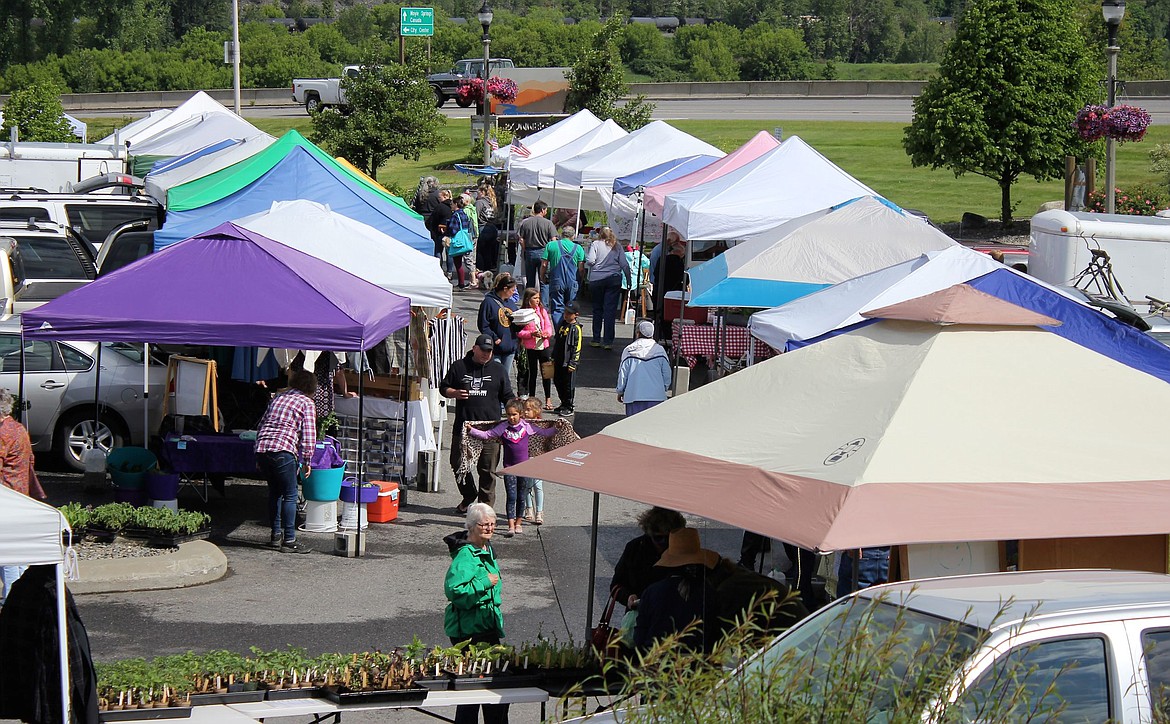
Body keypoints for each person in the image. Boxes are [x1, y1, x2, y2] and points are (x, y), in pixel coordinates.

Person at [444, 503, 509, 724]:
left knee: (495, 691)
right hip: (469, 632)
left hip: (486, 627)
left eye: (493, 524)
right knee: (472, 691)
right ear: (472, 526)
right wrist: (483, 582)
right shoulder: (465, 556)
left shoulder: (486, 548)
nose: (490, 528)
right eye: (485, 524)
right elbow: (455, 592)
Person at [441, 335, 514, 514]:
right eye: (483, 350)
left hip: (491, 429)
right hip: (464, 428)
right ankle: (469, 495)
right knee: (458, 464)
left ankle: (484, 510)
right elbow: (444, 388)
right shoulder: (459, 367)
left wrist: (518, 408)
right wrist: (454, 393)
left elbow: (508, 396)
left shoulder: (498, 370)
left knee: (487, 470)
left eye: (489, 351)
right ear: (474, 348)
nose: (486, 354)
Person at [465, 399, 555, 537]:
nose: (511, 417)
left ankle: (518, 523)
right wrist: (472, 431)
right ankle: (511, 525)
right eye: (508, 414)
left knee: (521, 497)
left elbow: (545, 433)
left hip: (524, 469)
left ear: (520, 414)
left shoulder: (527, 427)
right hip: (509, 469)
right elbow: (487, 435)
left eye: (514, 414)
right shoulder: (503, 427)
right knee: (511, 497)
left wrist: (558, 428)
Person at [255, 369, 318, 554]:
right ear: (311, 387)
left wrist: (258, 453)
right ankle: (289, 539)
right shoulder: (306, 402)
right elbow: (309, 434)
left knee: (274, 493)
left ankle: (275, 536)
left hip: (263, 448)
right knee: (290, 494)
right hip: (283, 450)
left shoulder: (278, 398)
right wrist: (307, 460)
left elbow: (261, 425)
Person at [634, 527, 720, 653]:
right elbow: (716, 638)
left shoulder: (652, 592)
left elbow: (639, 638)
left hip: (657, 662)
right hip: (697, 666)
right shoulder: (710, 593)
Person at [0, 389, 44, 603]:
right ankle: (25, 599)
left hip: (6, 497)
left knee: (7, 555)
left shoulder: (2, 433)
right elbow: (31, 461)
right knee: (19, 554)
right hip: (21, 494)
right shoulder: (18, 428)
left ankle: (11, 601)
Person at [610, 507, 686, 612]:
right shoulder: (635, 548)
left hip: (675, 613)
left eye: (668, 538)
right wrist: (628, 597)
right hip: (639, 613)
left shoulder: (685, 550)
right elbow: (616, 585)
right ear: (649, 533)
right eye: (658, 538)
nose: (664, 542)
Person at [585, 226, 632, 350]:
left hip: (597, 279)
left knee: (597, 309)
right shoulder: (617, 246)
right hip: (613, 279)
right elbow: (624, 265)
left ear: (600, 234)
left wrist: (596, 264)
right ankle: (608, 341)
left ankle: (596, 339)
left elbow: (590, 260)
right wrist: (629, 280)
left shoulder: (595, 244)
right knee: (610, 311)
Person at [617, 320, 672, 416]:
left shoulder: (629, 350)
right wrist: (663, 388)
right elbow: (667, 373)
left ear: (638, 333)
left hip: (633, 395)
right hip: (656, 396)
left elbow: (623, 373)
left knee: (633, 427)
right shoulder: (660, 350)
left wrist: (620, 391)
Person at [515, 287, 554, 411]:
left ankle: (548, 398)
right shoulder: (522, 312)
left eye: (538, 298)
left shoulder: (542, 310)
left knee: (546, 372)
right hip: (530, 346)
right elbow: (519, 333)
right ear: (528, 299)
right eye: (535, 298)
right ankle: (531, 399)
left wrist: (546, 333)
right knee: (532, 373)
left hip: (543, 345)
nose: (537, 300)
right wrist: (531, 334)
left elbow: (548, 327)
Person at [477, 272, 520, 383]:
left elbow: (514, 323)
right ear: (505, 288)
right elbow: (483, 325)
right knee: (494, 378)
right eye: (512, 290)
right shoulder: (488, 302)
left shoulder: (511, 303)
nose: (513, 293)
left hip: (510, 347)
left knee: (504, 379)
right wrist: (495, 338)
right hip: (495, 348)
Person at [541, 226, 585, 326]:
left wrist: (542, 276)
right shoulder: (578, 248)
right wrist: (580, 280)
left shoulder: (551, 245)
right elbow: (581, 268)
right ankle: (568, 331)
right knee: (571, 308)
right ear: (573, 236)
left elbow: (544, 264)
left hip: (556, 280)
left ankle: (558, 332)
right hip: (572, 282)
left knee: (557, 308)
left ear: (561, 234)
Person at [517, 201, 557, 303]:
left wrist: (525, 249)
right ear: (543, 210)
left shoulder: (525, 222)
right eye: (546, 210)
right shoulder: (548, 223)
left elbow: (521, 240)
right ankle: (544, 305)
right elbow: (553, 240)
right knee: (543, 280)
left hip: (530, 252)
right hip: (544, 253)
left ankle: (528, 303)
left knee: (530, 281)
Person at [552, 302, 582, 417]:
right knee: (558, 381)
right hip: (559, 359)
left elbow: (577, 347)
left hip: (568, 362)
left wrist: (573, 363)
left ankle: (569, 405)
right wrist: (553, 356)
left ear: (576, 315)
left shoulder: (576, 328)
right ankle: (563, 402)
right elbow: (557, 342)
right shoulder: (562, 324)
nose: (566, 315)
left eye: (569, 313)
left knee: (568, 384)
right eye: (565, 312)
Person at [520, 398, 547, 525]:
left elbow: (549, 434)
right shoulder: (521, 424)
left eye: (528, 410)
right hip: (524, 458)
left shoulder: (542, 424)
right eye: (524, 409)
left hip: (538, 459)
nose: (525, 412)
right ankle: (528, 508)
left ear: (536, 411)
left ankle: (539, 512)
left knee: (537, 485)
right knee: (526, 485)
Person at [449, 194, 475, 290]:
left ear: (456, 204)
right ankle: (462, 282)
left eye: (452, 204)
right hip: (465, 238)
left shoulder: (455, 215)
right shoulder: (464, 214)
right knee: (466, 261)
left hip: (458, 240)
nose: (451, 206)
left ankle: (461, 283)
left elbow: (453, 229)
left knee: (458, 262)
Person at [622, 241, 651, 317]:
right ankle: (640, 310)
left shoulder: (624, 255)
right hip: (637, 280)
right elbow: (647, 264)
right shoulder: (640, 255)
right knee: (639, 288)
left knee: (625, 292)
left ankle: (624, 309)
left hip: (624, 281)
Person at [430, 189, 454, 268]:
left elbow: (434, 219)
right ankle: (450, 271)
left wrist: (433, 229)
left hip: (440, 232)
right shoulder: (453, 206)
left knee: (438, 251)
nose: (438, 199)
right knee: (449, 253)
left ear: (444, 196)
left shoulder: (440, 207)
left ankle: (438, 269)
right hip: (450, 232)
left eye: (439, 197)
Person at [475, 217, 500, 286]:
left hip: (483, 227)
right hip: (492, 228)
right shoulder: (492, 207)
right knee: (488, 252)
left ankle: (480, 273)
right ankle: (488, 271)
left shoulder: (480, 205)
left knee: (480, 253)